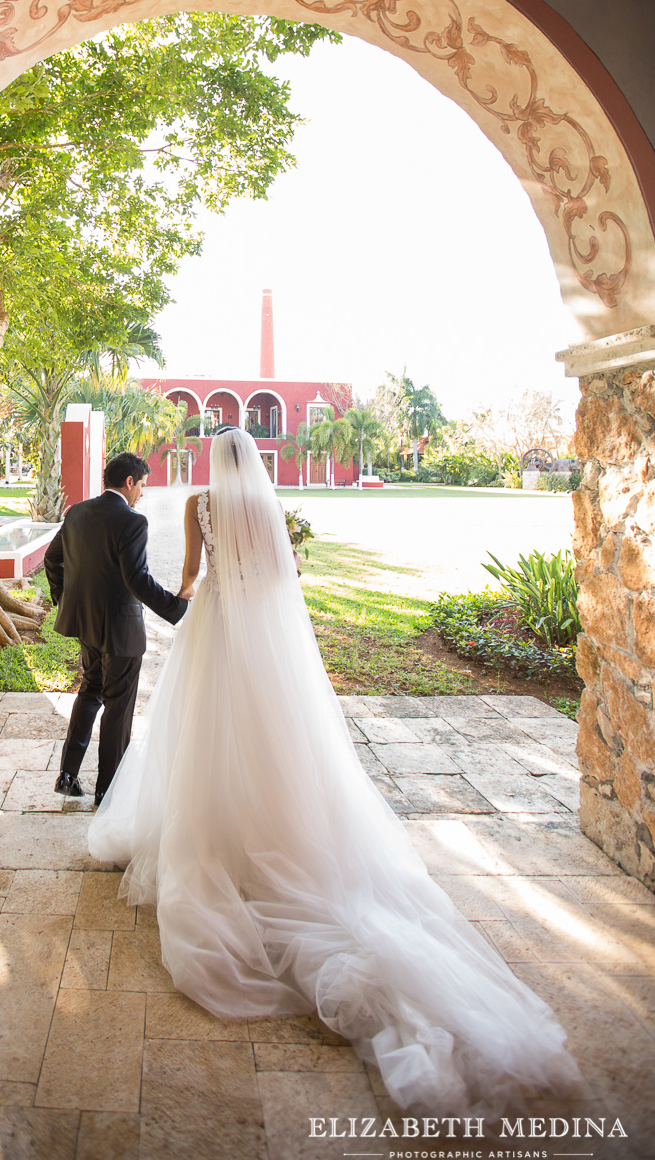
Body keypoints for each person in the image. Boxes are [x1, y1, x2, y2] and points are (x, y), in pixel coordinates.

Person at [87, 426, 581, 1116]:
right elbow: (280, 576)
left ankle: (212, 835)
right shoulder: (266, 507)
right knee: (272, 734)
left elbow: (193, 578)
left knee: (200, 730)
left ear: (212, 463)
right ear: (254, 464)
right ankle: (276, 830)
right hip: (260, 627)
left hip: (215, 628)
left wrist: (190, 602)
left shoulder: (199, 501)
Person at [44, 451, 189, 804]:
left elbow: (52, 559)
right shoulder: (133, 522)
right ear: (128, 482)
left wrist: (66, 600)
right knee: (118, 706)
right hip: (121, 631)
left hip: (85, 624)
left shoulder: (76, 512)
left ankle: (67, 774)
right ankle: (107, 789)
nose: (142, 492)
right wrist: (177, 604)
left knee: (90, 692)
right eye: (142, 485)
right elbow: (136, 579)